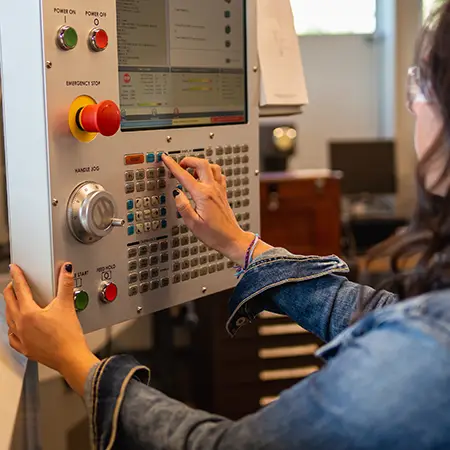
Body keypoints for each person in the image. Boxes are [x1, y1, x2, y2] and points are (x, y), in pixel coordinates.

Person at [5, 4, 450, 449]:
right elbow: (377, 314)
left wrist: (73, 360)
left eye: (421, 86)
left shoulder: (426, 356)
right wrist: (242, 246)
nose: (412, 106)